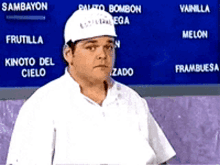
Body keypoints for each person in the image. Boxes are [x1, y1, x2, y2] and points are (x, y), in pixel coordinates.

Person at [6, 8, 176, 165]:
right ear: (68, 54)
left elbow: (160, 160)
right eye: (91, 47)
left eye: (108, 47)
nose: (102, 55)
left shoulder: (132, 100)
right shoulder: (43, 104)